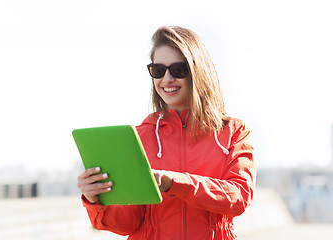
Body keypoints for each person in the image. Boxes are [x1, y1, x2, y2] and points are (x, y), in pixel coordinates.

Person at [77, 26, 256, 240]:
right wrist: (95, 200)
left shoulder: (233, 132)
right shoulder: (140, 136)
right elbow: (128, 223)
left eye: (178, 69)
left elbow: (238, 198)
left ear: (198, 71)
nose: (167, 79)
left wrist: (175, 183)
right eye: (158, 70)